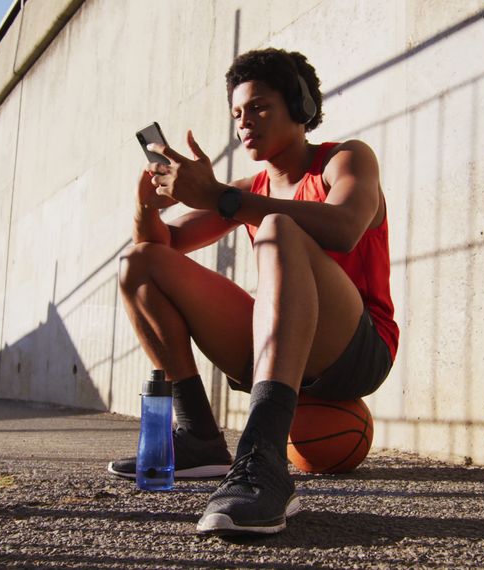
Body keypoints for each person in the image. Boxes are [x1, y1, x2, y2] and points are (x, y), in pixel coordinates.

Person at [107, 48, 399, 536]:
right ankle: (198, 435)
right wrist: (146, 209)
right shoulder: (250, 186)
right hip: (279, 350)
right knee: (139, 263)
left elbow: (347, 226)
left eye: (259, 107)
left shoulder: (344, 159)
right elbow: (165, 245)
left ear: (301, 106)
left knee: (278, 228)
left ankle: (263, 462)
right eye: (237, 113)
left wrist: (223, 198)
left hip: (355, 350)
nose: (245, 122)